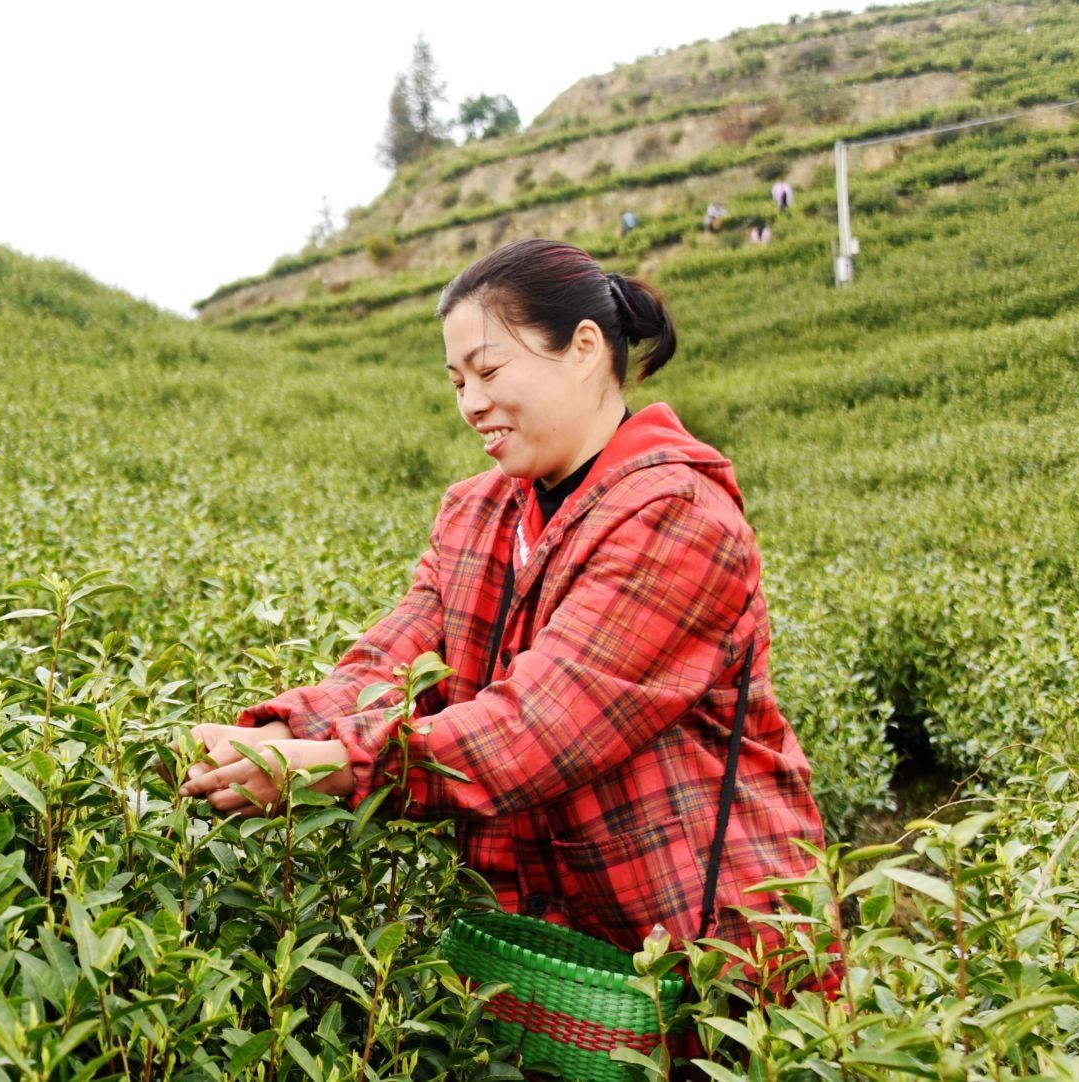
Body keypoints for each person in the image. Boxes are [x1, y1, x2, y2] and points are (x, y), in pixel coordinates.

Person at [180, 238, 825, 966]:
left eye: (488, 371)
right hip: (551, 938)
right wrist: (272, 732)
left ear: (584, 349)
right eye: (458, 382)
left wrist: (335, 765)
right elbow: (397, 657)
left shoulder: (675, 514)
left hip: (705, 946)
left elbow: (540, 728)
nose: (471, 403)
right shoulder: (479, 512)